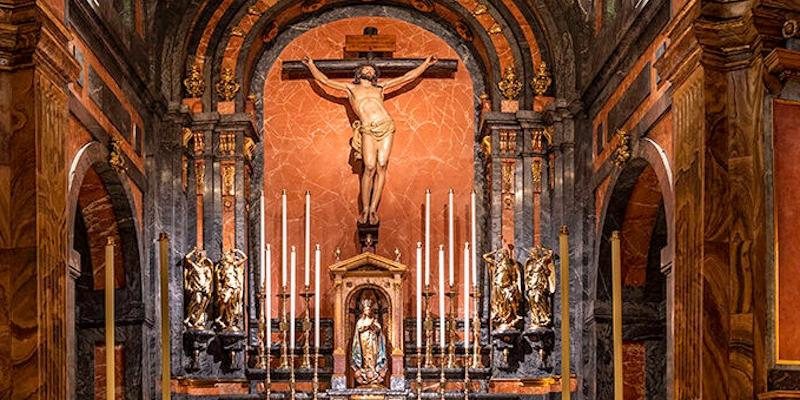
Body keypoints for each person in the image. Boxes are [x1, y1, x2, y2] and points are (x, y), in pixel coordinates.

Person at [302, 56, 438, 224]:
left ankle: (373, 209)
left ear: (375, 75)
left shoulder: (380, 87)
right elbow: (324, 80)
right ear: (359, 73)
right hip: (367, 129)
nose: (369, 70)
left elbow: (406, 78)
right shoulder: (350, 88)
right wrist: (311, 65)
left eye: (372, 69)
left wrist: (425, 64)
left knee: (382, 165)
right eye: (366, 68)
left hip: (386, 125)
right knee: (369, 167)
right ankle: (365, 208)